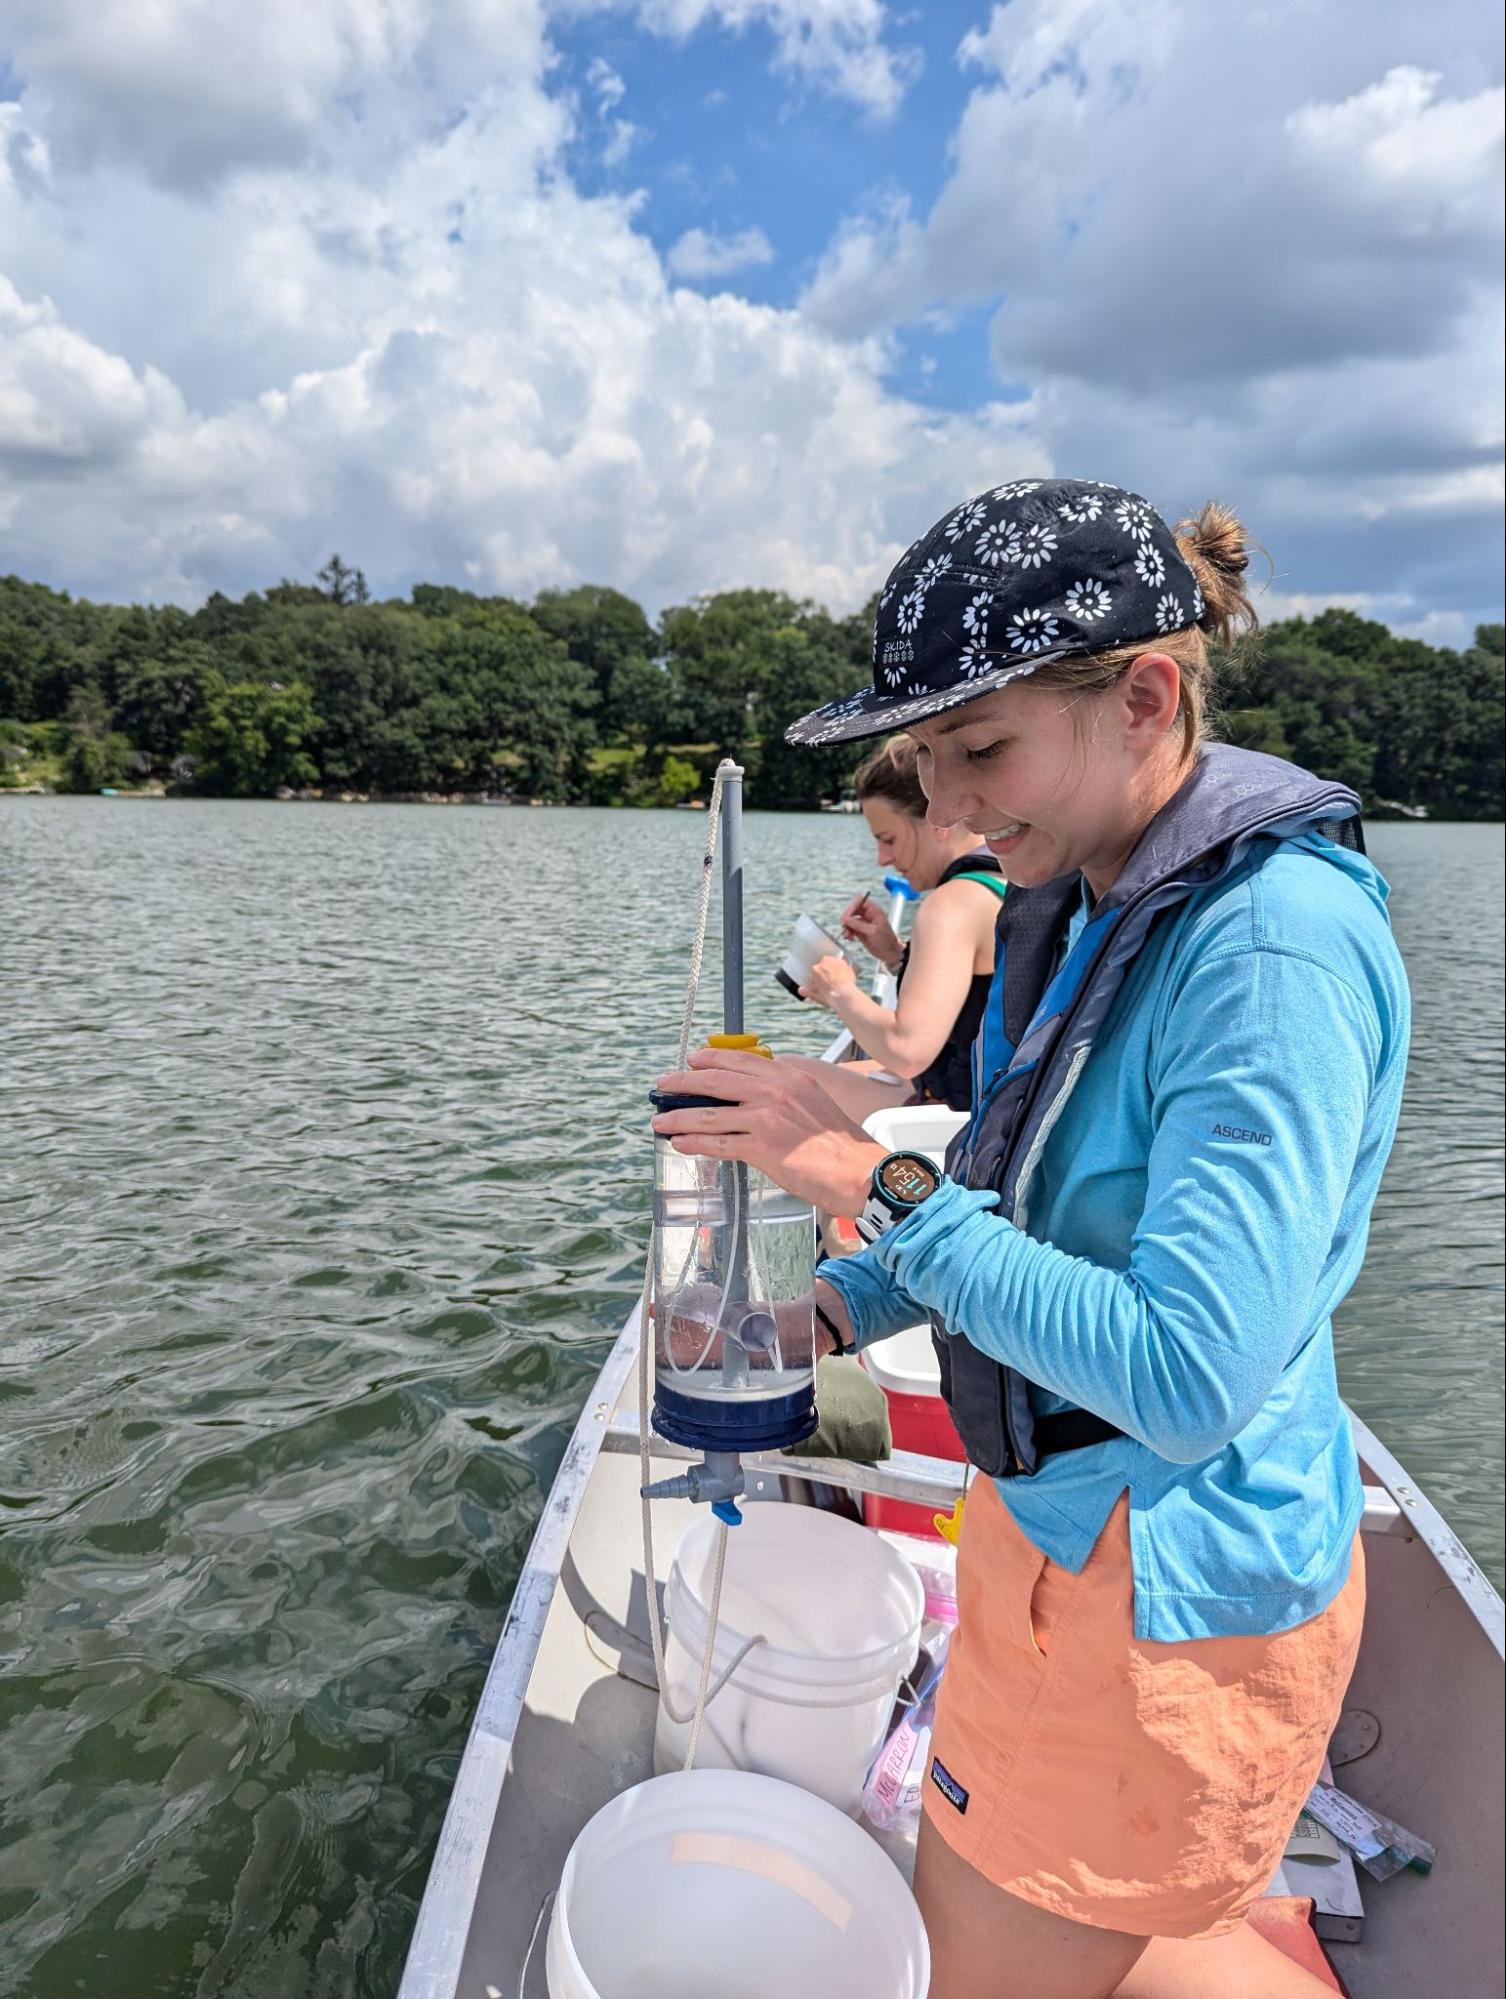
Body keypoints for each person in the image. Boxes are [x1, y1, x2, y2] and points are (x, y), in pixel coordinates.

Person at [652, 477, 1409, 1999]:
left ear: (1141, 696)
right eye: (929, 764)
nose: (952, 814)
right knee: (1097, 1922)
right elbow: (1030, 1199)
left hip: (1161, 1595)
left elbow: (1185, 1369)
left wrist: (869, 1181)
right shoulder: (1110, 886)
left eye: (980, 748)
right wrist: (829, 1315)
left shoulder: (1267, 945)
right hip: (1066, 1538)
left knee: (992, 1954)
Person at [788, 734, 1007, 1122]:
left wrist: (840, 990)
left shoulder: (950, 905)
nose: (883, 859)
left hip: (965, 1121)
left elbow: (907, 1051)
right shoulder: (1005, 878)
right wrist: (896, 955)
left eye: (888, 839)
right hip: (998, 1102)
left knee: (781, 1075)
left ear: (938, 817)